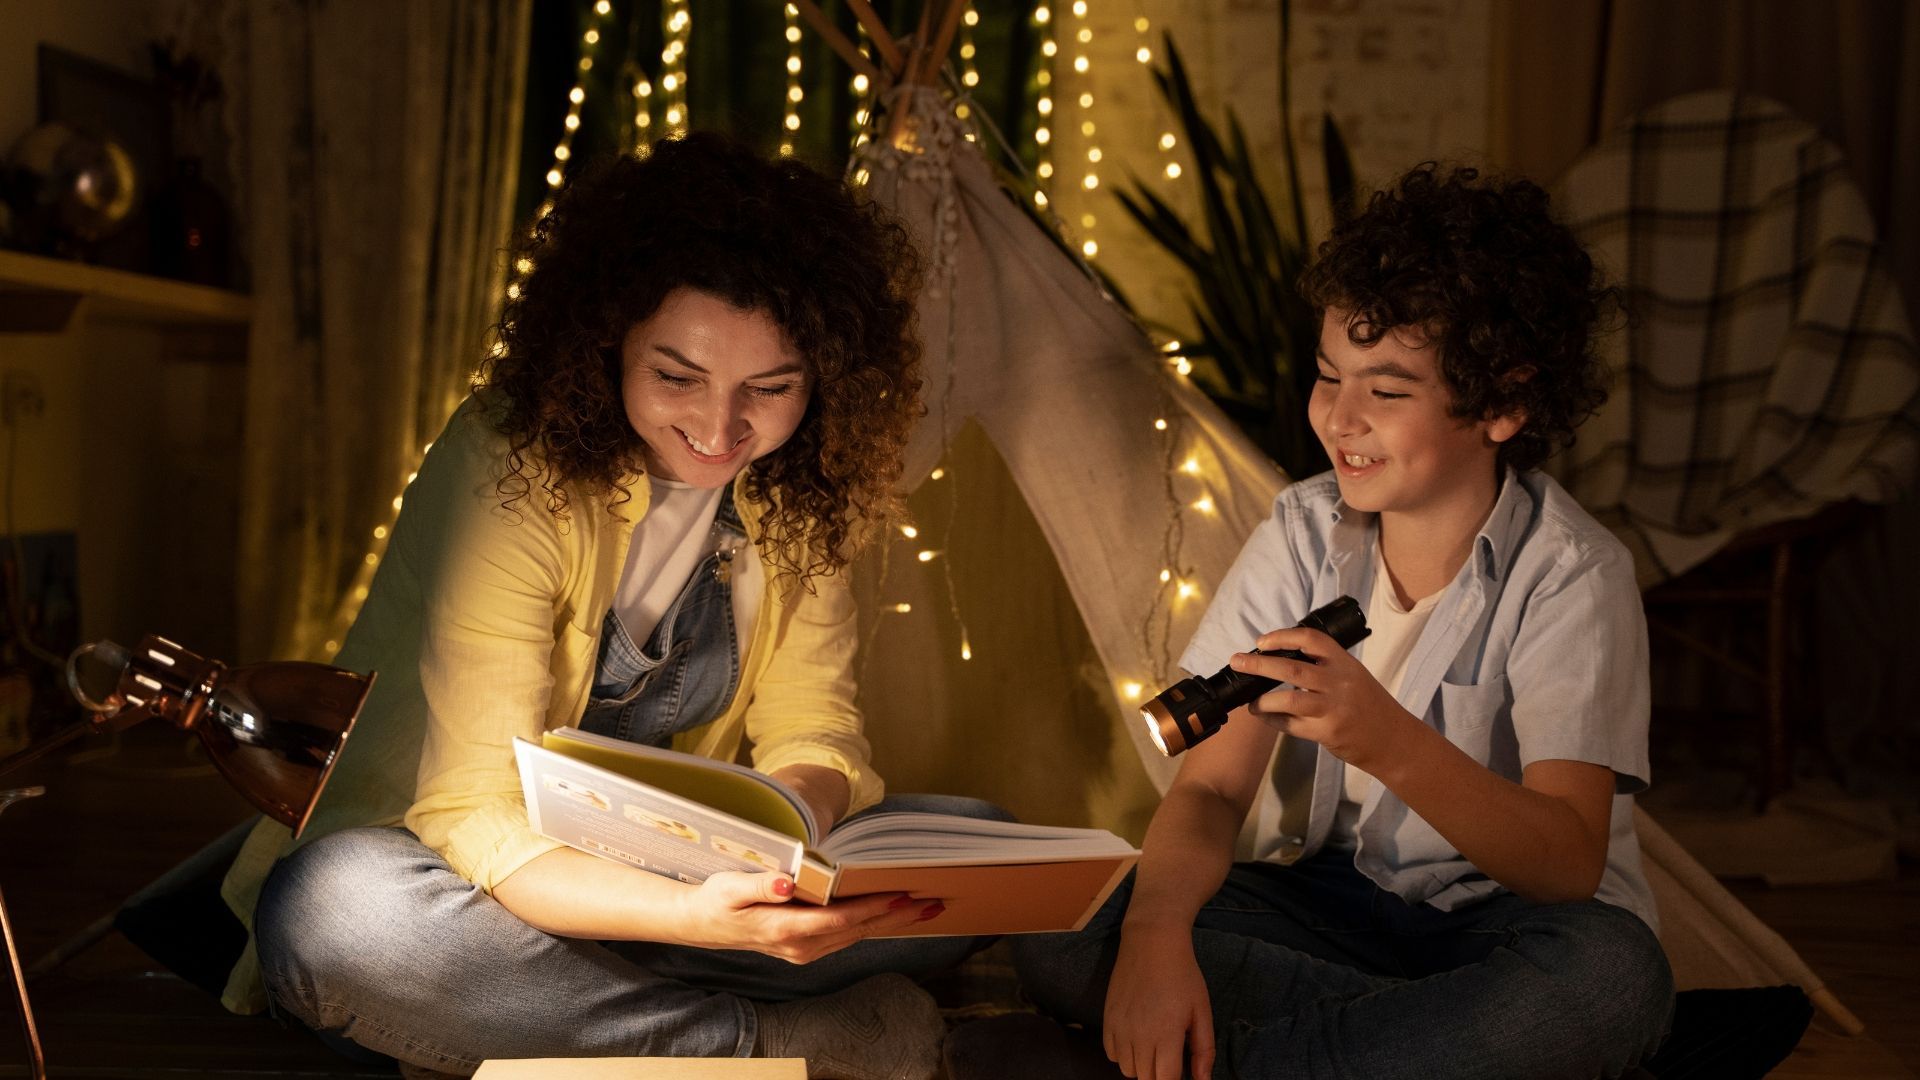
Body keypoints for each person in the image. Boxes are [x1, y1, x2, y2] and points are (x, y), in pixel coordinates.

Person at [216, 133, 1001, 1080]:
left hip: (687, 887)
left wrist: (786, 838)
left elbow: (817, 727)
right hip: (474, 877)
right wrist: (697, 918)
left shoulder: (802, 489)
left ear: (822, 378)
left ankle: (541, 1024)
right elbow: (473, 813)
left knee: (977, 846)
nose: (720, 430)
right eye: (677, 376)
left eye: (772, 388)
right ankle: (767, 1045)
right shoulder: (505, 463)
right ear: (606, 341)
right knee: (333, 914)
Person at [1013, 163, 1675, 1079]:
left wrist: (1386, 740)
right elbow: (1208, 793)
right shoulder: (1301, 531)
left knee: (1609, 984)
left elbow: (1566, 862)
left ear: (1505, 404)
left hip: (1512, 926)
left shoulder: (1572, 575)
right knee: (1073, 930)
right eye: (1330, 376)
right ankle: (1400, 1053)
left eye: (1389, 391)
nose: (1340, 417)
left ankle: (1225, 1061)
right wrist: (1158, 939)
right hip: (1338, 904)